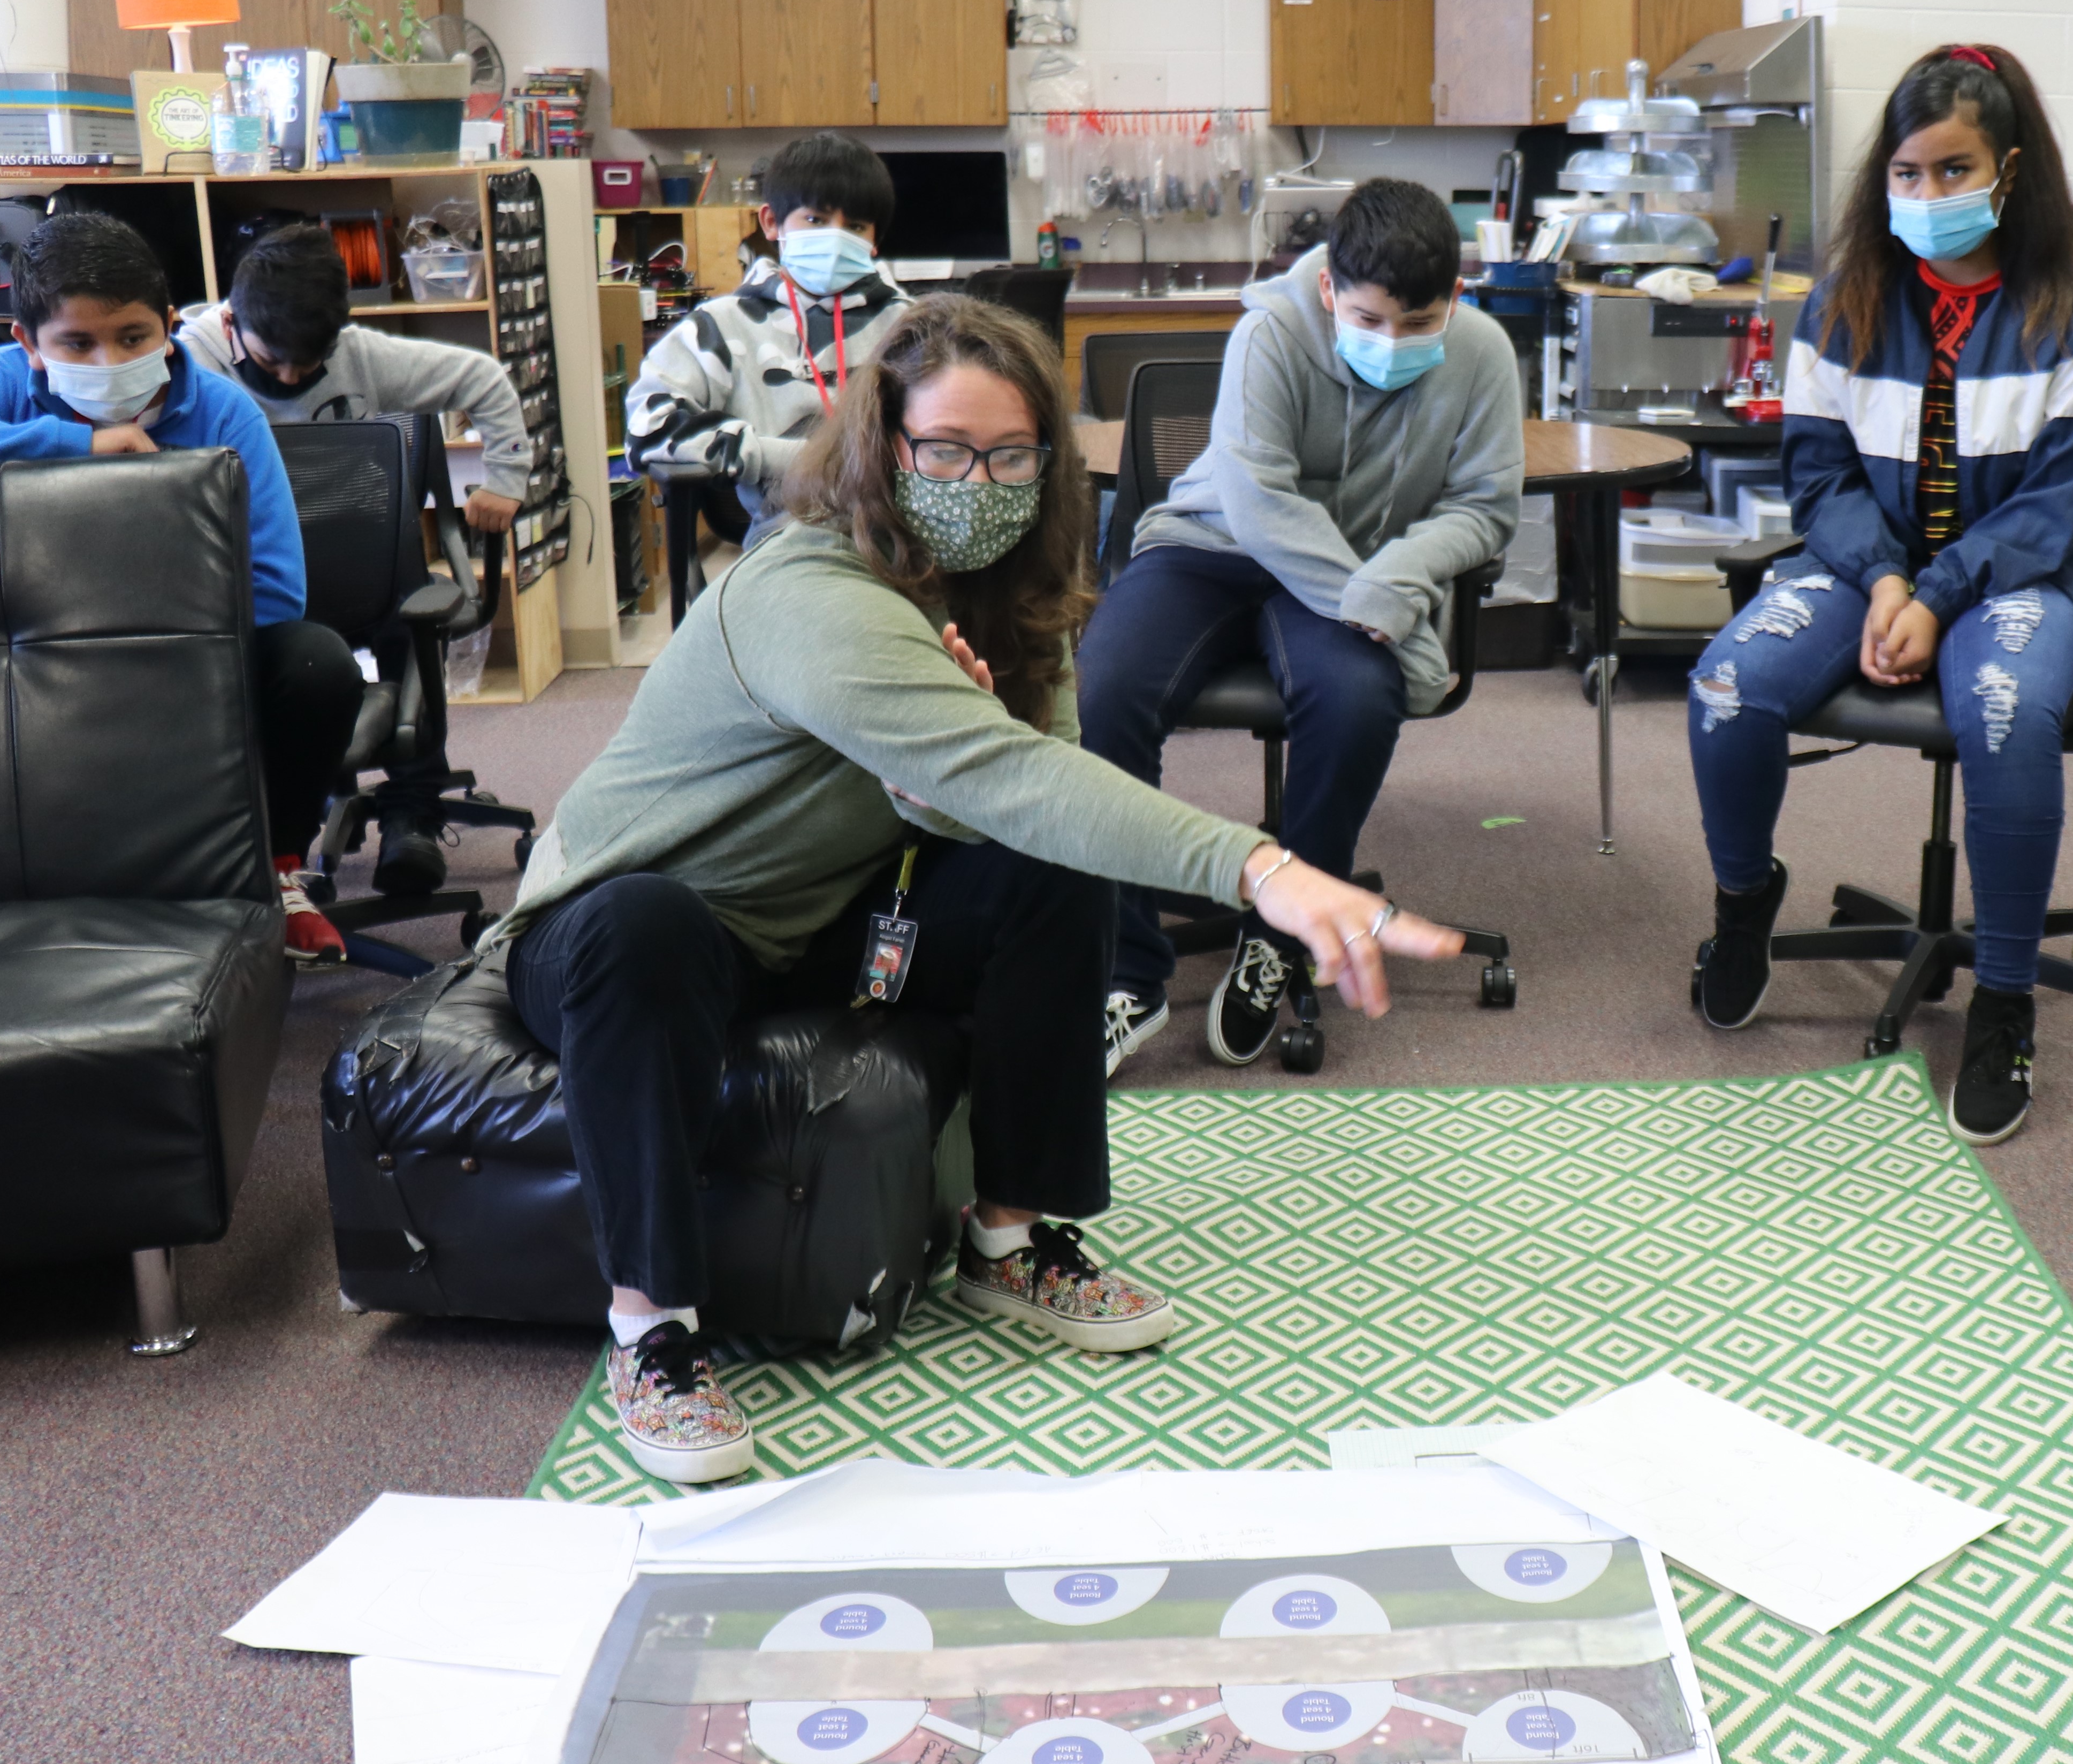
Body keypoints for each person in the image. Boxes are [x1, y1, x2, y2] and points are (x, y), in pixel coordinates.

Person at [492, 294, 1458, 1484]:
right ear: (883, 449)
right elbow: (1006, 769)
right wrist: (1265, 867)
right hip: (631, 928)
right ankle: (653, 1327)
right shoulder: (813, 592)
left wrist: (964, 748)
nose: (978, 478)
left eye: (1009, 454)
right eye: (945, 449)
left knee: (1055, 860)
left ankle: (1009, 1234)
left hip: (816, 914)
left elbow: (1025, 792)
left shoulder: (1011, 582)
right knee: (645, 925)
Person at [1683, 42, 2073, 1147]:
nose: (1926, 195)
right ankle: (1745, 902)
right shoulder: (1843, 299)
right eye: (1906, 173)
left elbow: (2060, 504)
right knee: (1728, 684)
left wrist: (1938, 593)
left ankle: (2006, 1000)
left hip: (2019, 573)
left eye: (1953, 169)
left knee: (2003, 713)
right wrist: (1889, 579)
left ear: (2009, 172)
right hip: (1865, 564)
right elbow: (1817, 475)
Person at [1076, 177, 1521, 1076]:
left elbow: (1484, 509)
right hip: (1214, 545)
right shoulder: (1270, 329)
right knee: (1100, 689)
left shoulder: (1483, 352)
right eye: (1366, 319)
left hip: (1358, 562)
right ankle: (1128, 968)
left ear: (1455, 299)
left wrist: (1396, 576)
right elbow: (1257, 502)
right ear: (1328, 289)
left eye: (1416, 325)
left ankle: (1277, 933)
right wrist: (1388, 610)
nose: (1389, 343)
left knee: (1358, 698)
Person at [0, 209, 347, 964]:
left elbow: (275, 588)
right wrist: (74, 443)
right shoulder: (1, 388)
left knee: (314, 663)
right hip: (44, 665)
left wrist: (162, 649)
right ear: (27, 346)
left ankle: (279, 867)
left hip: (196, 660)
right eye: (77, 343)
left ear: (170, 326)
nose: (108, 362)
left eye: (133, 338)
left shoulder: (225, 411)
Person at [178, 222, 538, 896]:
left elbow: (485, 378)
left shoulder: (361, 356)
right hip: (253, 576)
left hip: (364, 562)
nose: (289, 377)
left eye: (307, 366)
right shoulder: (189, 363)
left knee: (413, 615)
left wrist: (506, 480)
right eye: (272, 360)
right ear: (233, 319)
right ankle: (277, 833)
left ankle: (414, 814)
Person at [625, 131, 911, 540]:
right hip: (784, 545)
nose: (835, 238)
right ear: (772, 223)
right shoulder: (721, 326)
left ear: (874, 241)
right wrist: (791, 458)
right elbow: (647, 433)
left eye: (857, 226)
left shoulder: (910, 327)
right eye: (816, 219)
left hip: (894, 543)